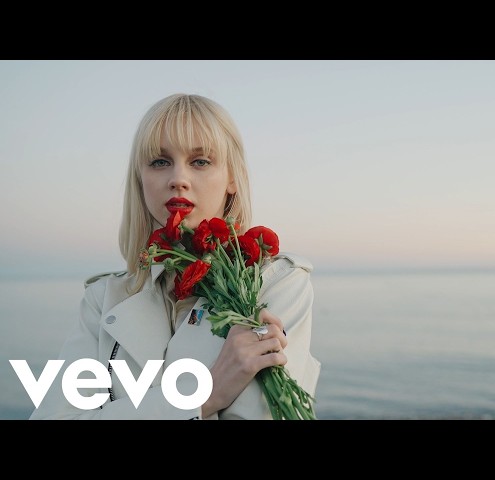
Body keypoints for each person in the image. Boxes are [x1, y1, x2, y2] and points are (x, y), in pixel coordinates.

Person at [29, 93, 321, 420]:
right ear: (140, 179)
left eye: (200, 161)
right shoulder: (104, 299)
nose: (178, 179)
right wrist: (203, 395)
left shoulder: (275, 283)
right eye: (159, 162)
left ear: (232, 178)